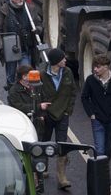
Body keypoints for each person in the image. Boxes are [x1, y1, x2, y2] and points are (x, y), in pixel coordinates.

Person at [38, 49, 78, 189]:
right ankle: (43, 168)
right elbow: (38, 95)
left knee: (62, 145)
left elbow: (73, 92)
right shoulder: (42, 75)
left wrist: (68, 111)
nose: (65, 60)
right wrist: (42, 114)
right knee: (44, 141)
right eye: (62, 58)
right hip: (47, 115)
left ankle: (62, 177)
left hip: (63, 115)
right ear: (55, 62)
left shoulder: (68, 72)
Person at [81, 53, 111, 157]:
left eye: (98, 67)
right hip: (97, 120)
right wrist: (91, 114)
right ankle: (99, 172)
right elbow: (84, 97)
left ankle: (104, 171)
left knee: (108, 150)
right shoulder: (90, 80)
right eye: (94, 67)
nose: (95, 69)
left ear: (106, 67)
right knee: (99, 150)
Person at [0, 0, 39, 85]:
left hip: (25, 49)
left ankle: (26, 95)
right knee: (11, 77)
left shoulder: (30, 9)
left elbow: (39, 24)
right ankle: (12, 95)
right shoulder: (4, 10)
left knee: (27, 75)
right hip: (10, 50)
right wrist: (1, 47)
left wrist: (38, 29)